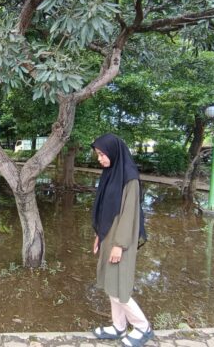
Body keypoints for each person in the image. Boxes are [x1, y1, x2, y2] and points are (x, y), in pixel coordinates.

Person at [90, 133, 153, 347]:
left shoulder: (129, 177)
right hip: (109, 236)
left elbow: (129, 214)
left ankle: (143, 327)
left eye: (101, 154)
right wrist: (99, 234)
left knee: (119, 287)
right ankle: (118, 326)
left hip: (121, 240)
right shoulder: (110, 173)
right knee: (111, 284)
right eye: (98, 155)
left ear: (113, 151)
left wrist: (119, 244)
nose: (99, 159)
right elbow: (105, 208)